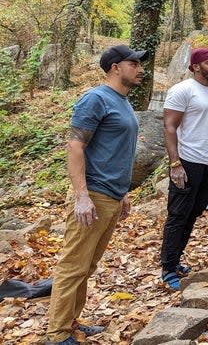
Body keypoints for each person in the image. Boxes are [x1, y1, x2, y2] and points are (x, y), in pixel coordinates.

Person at [46, 45, 148, 345]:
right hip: (93, 194)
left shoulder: (123, 101)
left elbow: (116, 150)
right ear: (115, 67)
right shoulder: (95, 99)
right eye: (134, 64)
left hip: (112, 196)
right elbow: (75, 146)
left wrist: (124, 192)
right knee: (72, 265)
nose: (141, 69)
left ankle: (70, 322)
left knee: (87, 266)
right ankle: (56, 335)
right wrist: (81, 195)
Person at [160, 47, 208, 291]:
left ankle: (177, 259)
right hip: (188, 161)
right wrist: (175, 163)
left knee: (195, 211)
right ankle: (168, 267)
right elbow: (169, 127)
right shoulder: (182, 91)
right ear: (195, 66)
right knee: (178, 214)